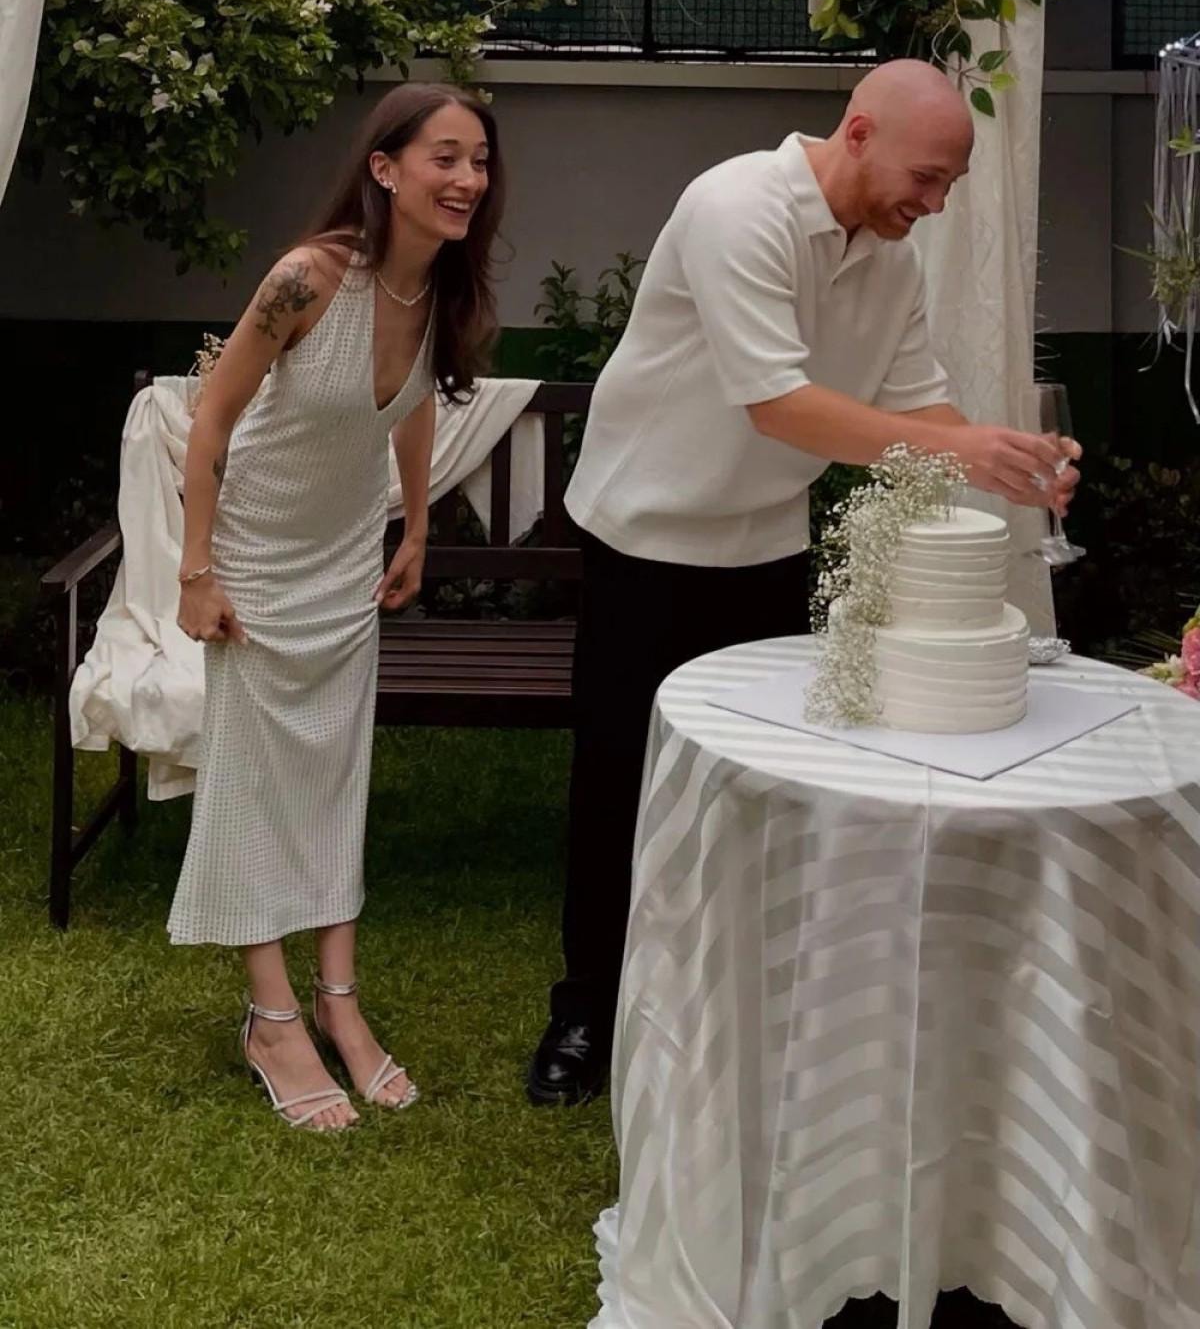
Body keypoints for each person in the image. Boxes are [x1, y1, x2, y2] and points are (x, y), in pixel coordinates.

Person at [527, 59, 1080, 1107]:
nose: (936, 204)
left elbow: (919, 407)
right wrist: (962, 452)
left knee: (761, 784)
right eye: (927, 177)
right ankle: (587, 1011)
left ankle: (734, 994)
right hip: (647, 539)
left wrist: (1011, 456)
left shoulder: (891, 262)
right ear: (858, 133)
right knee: (622, 785)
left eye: (951, 185)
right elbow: (776, 403)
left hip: (768, 542)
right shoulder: (738, 207)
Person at [169, 82, 503, 1131]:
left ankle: (339, 1001)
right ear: (385, 169)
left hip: (346, 563)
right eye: (446, 157)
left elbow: (409, 407)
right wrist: (195, 571)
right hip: (259, 562)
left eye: (480, 160)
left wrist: (417, 527)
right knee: (256, 781)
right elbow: (212, 419)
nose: (468, 179)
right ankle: (272, 1019)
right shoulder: (307, 279)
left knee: (334, 776)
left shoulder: (442, 290)